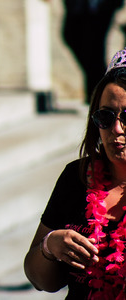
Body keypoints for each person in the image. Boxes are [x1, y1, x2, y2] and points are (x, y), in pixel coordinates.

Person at [24, 47, 126, 299]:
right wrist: (51, 246)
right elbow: (39, 279)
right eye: (106, 116)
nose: (116, 128)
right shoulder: (77, 176)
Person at [44, 0, 124, 104]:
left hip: (100, 6)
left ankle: (99, 94)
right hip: (82, 6)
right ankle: (101, 91)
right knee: (75, 38)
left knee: (94, 50)